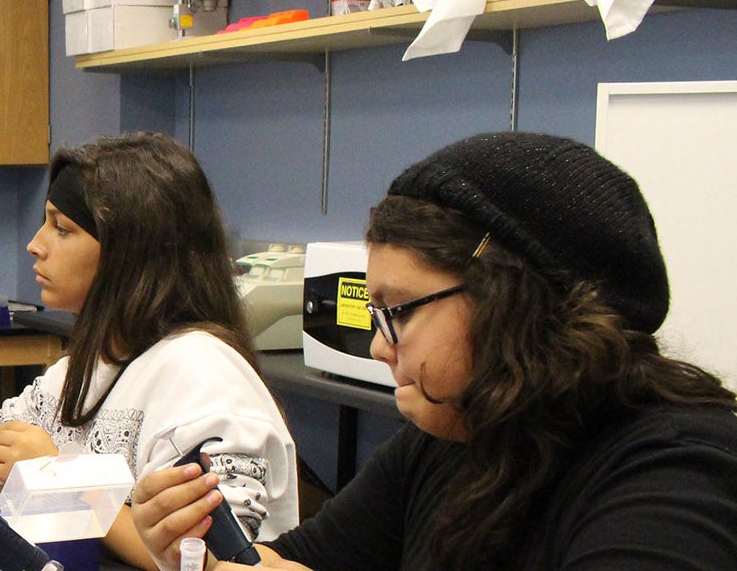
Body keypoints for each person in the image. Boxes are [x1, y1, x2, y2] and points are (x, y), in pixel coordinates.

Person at [131, 132, 737, 570]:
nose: (379, 346)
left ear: (513, 299)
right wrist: (206, 556)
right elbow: (299, 564)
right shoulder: (452, 438)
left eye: (399, 311)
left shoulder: (679, 471)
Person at [0, 133, 299, 570]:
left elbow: (217, 559)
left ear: (130, 251)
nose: (35, 244)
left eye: (62, 228)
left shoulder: (206, 379)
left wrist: (60, 480)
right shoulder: (85, 368)